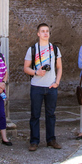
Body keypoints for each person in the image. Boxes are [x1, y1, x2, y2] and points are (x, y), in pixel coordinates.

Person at [23, 23, 63, 151]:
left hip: (51, 86)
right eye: (43, 31)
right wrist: (36, 72)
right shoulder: (32, 49)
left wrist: (57, 82)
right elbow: (25, 68)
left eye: (47, 31)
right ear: (38, 34)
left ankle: (51, 139)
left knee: (51, 115)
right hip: (37, 86)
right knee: (35, 115)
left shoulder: (55, 49)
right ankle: (34, 141)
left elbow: (59, 67)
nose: (46, 33)